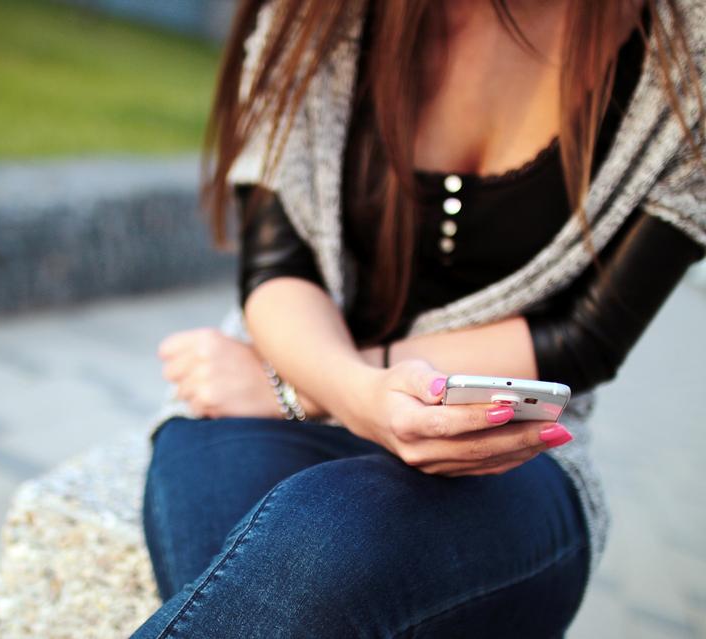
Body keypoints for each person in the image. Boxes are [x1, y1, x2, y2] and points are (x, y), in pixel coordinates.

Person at [132, 0, 705, 636]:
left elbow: (584, 337)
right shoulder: (319, 15)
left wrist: (303, 390)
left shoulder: (690, 52)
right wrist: (348, 393)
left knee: (323, 534)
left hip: (505, 451)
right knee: (264, 558)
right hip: (276, 389)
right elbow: (277, 267)